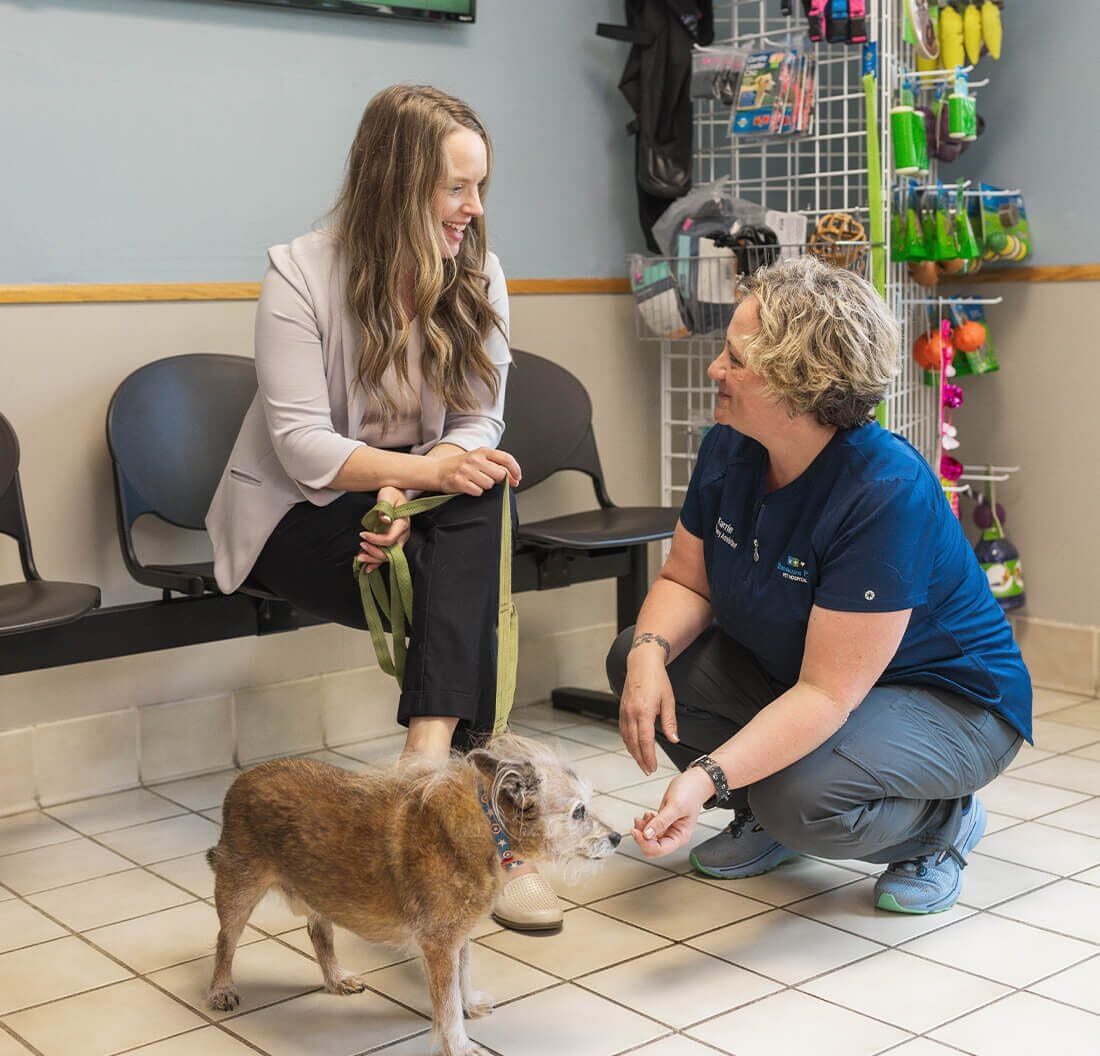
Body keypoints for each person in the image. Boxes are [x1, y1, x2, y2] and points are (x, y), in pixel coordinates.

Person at [206, 84, 564, 932]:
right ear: (393, 181)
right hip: (294, 520)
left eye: (480, 189)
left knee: (481, 497)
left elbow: (479, 419)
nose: (473, 210)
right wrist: (411, 483)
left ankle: (426, 760)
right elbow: (301, 445)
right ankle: (483, 836)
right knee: (466, 541)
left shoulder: (478, 271)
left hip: (415, 505)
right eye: (454, 188)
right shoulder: (298, 273)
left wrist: (422, 486)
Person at [606, 257, 1031, 914]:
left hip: (952, 703)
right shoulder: (730, 445)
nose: (715, 369)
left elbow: (829, 694)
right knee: (641, 653)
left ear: (797, 385)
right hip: (823, 683)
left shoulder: (883, 491)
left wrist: (704, 779)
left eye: (735, 359)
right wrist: (645, 655)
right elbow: (686, 580)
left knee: (796, 799)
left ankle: (940, 826)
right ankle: (766, 819)